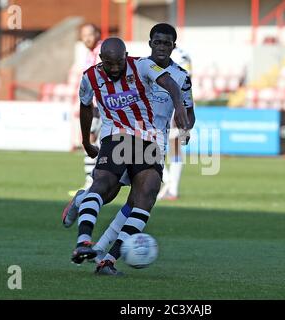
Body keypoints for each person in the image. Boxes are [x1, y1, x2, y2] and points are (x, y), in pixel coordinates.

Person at [63, 36, 189, 276]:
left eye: (119, 63)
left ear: (125, 56)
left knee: (147, 194)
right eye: (109, 64)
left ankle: (107, 261)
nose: (114, 68)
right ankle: (83, 243)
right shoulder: (90, 77)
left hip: (148, 138)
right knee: (105, 188)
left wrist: (180, 107)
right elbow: (85, 106)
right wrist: (85, 141)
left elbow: (170, 84)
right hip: (116, 136)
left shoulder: (141, 65)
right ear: (101, 60)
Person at [69, 24, 103, 196]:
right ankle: (93, 180)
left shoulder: (101, 51)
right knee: (91, 139)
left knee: (90, 139)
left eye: (89, 34)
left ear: (97, 34)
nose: (86, 38)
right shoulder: (91, 54)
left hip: (101, 104)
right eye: (83, 35)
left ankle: (92, 181)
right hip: (94, 104)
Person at [157, 46, 193, 201]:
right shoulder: (183, 54)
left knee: (154, 146)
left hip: (169, 104)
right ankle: (172, 188)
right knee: (174, 147)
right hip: (180, 102)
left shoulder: (172, 56)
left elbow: (182, 81)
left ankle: (170, 184)